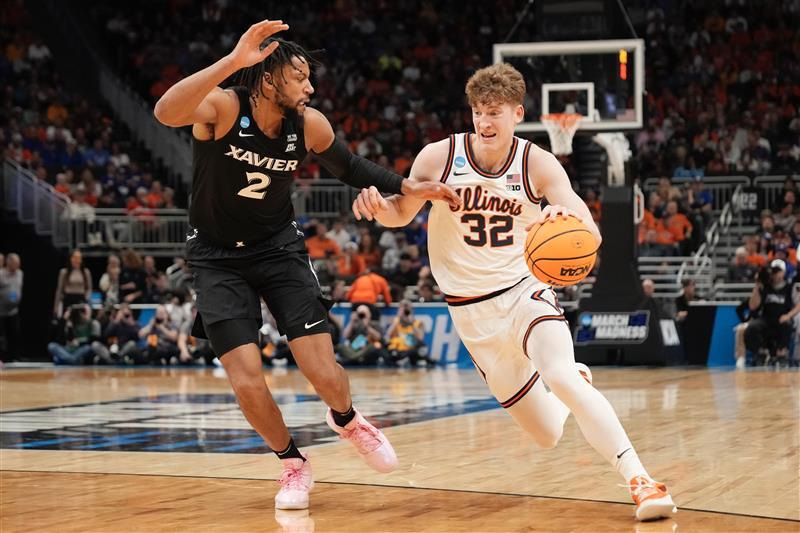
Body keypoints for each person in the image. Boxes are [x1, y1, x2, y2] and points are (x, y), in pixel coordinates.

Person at [153, 19, 460, 510]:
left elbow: (351, 167)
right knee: (246, 377)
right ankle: (292, 463)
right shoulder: (224, 107)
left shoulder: (309, 123)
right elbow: (166, 111)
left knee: (322, 370)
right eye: (300, 77)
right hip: (215, 259)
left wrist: (408, 187)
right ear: (269, 79)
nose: (311, 86)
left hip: (278, 248)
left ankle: (346, 419)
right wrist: (234, 61)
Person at [351, 62, 677, 522]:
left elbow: (590, 230)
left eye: (495, 113)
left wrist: (558, 219)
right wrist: (374, 208)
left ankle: (641, 481)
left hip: (524, 291)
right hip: (470, 313)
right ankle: (577, 381)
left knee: (559, 375)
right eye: (479, 112)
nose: (485, 122)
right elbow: (399, 213)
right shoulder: (437, 158)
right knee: (546, 434)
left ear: (517, 114)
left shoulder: (537, 163)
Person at [744, 259, 800, 366]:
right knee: (752, 327)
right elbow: (752, 306)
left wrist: (788, 315)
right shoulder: (765, 286)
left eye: (779, 271)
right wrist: (757, 286)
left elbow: (798, 304)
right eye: (774, 271)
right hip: (766, 318)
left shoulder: (790, 286)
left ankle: (781, 353)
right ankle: (761, 352)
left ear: (784, 272)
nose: (776, 274)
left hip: (782, 317)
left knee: (786, 324)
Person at [385, 300, 432, 366]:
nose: (405, 312)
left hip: (412, 351)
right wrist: (397, 319)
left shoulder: (419, 323)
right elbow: (388, 336)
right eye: (403, 309)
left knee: (421, 349)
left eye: (407, 310)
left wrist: (411, 323)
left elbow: (420, 338)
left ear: (412, 311)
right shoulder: (396, 322)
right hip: (399, 352)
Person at [53, 250, 92, 317]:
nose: (77, 260)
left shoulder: (85, 272)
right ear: (71, 259)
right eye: (75, 257)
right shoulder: (64, 272)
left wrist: (86, 298)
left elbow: (89, 288)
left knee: (80, 322)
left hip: (80, 300)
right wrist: (56, 308)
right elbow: (59, 290)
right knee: (66, 321)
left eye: (79, 258)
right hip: (68, 299)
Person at [0, 253, 23, 361]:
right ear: (9, 263)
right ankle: (3, 358)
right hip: (1, 311)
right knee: (2, 336)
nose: (18, 265)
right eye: (15, 263)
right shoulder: (1, 274)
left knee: (15, 334)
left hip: (14, 310)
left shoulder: (20, 273)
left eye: (18, 263)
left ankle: (15, 357)